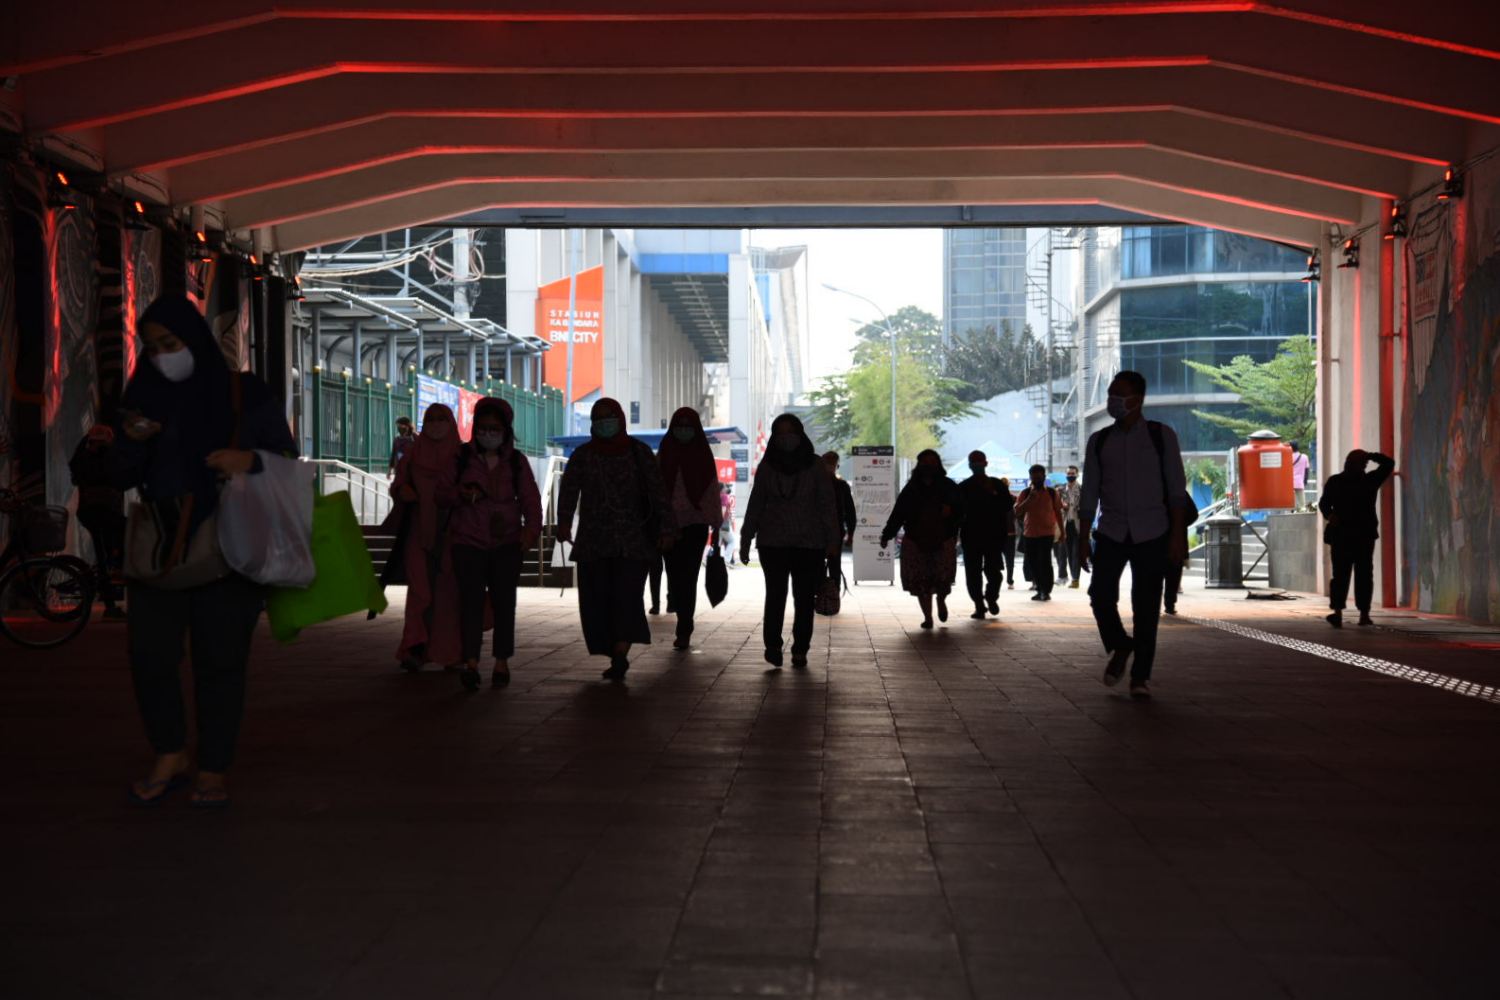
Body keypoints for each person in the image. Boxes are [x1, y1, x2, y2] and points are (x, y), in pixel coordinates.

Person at [111, 295, 297, 808]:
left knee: (220, 662)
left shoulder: (244, 393)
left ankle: (213, 767)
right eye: (151, 349)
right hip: (162, 544)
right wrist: (133, 440)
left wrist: (249, 460)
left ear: (194, 338)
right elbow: (119, 474)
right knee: (149, 657)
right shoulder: (141, 396)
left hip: (230, 544)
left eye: (170, 344)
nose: (162, 356)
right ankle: (169, 753)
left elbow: (286, 458)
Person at [1078, 371, 1192, 699]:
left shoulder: (1161, 436)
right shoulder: (1099, 441)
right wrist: (1084, 538)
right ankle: (1120, 645)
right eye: (1111, 395)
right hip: (1111, 531)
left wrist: (1176, 537)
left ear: (1138, 400)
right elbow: (1090, 494)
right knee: (1099, 595)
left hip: (1153, 532)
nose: (1113, 401)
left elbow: (1176, 491)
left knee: (1145, 607)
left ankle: (1140, 677)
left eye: (1119, 395)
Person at [557, 398, 675, 680]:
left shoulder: (639, 453)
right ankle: (615, 652)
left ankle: (621, 652)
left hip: (633, 541)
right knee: (598, 599)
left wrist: (668, 529)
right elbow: (569, 490)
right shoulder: (583, 455)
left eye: (609, 416)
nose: (604, 422)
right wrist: (563, 523)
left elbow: (659, 493)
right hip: (594, 542)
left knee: (627, 596)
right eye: (598, 418)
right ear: (592, 424)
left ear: (620, 418)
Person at [450, 398, 542, 691]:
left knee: (504, 603)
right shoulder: (461, 457)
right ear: (475, 428)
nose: (488, 433)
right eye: (483, 427)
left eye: (495, 428)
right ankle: (471, 662)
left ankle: (501, 662)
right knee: (470, 603)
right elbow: (441, 492)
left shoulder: (517, 462)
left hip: (507, 542)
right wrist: (459, 494)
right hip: (468, 540)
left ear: (506, 430)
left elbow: (531, 499)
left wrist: (531, 531)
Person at [740, 413, 841, 668]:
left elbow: (827, 504)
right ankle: (773, 645)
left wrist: (832, 539)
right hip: (773, 542)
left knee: (804, 598)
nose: (786, 438)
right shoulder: (767, 467)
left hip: (809, 543)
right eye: (780, 433)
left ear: (801, 434)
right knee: (775, 595)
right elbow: (755, 505)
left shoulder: (816, 466)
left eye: (791, 432)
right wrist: (745, 538)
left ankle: (800, 648)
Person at [390, 403, 464, 673]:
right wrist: (404, 490)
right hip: (419, 532)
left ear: (451, 422)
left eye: (440, 419)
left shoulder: (462, 455)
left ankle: (451, 652)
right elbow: (398, 484)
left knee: (448, 594)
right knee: (420, 591)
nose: (434, 424)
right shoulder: (412, 452)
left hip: (454, 533)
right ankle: (414, 648)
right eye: (430, 419)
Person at [658, 407, 723, 650]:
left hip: (695, 525)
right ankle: (682, 615)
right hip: (667, 526)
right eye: (679, 426)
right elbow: (654, 490)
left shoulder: (703, 455)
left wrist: (716, 525)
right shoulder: (664, 453)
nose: (683, 431)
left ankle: (684, 626)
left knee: (689, 576)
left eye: (688, 426)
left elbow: (711, 492)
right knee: (674, 576)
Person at [882, 450, 965, 628]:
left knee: (942, 579)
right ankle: (928, 617)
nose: (928, 465)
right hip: (915, 539)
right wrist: (887, 534)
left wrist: (951, 513)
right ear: (919, 465)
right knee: (920, 581)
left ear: (939, 464)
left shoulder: (949, 486)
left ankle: (941, 601)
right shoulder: (911, 487)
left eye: (932, 461)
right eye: (925, 462)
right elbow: (898, 513)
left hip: (943, 539)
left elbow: (962, 511)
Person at [1318, 449, 1395, 628]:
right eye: (1362, 463)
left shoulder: (1337, 481)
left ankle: (1339, 612)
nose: (1363, 466)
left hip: (1345, 535)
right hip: (1362, 534)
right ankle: (1363, 615)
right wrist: (1370, 455)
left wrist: (1330, 515)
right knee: (1363, 575)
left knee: (1341, 575)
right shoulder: (1369, 480)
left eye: (1363, 463)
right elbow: (1389, 464)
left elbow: (1324, 504)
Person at [69, 424, 127, 622]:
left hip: (91, 512)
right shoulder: (96, 459)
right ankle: (116, 572)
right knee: (128, 531)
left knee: (102, 557)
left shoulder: (81, 457)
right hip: (101, 511)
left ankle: (109, 599)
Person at [958, 450, 1010, 619]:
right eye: (974, 463)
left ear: (986, 464)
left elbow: (1008, 506)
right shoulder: (964, 487)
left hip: (993, 537)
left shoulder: (997, 485)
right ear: (969, 466)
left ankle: (991, 596)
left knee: (994, 572)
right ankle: (979, 604)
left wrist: (993, 493)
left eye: (980, 462)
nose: (977, 466)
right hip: (971, 536)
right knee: (973, 573)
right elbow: (957, 513)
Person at [1015, 464, 1064, 602]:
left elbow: (1058, 513)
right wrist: (1029, 499)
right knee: (1033, 562)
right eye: (1034, 477)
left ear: (1044, 477)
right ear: (1030, 477)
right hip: (1030, 533)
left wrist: (1063, 533)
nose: (1036, 479)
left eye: (1039, 477)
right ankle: (1039, 589)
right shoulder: (1025, 493)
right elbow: (1017, 511)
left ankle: (1046, 591)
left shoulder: (1052, 493)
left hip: (1047, 532)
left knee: (1045, 562)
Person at [823, 451, 858, 579]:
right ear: (837, 466)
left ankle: (819, 594)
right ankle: (833, 595)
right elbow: (850, 512)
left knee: (816, 568)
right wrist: (851, 534)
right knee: (834, 568)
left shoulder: (812, 484)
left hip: (816, 533)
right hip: (835, 532)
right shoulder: (841, 486)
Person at [1057, 464, 1084, 589]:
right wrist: (1062, 505)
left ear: (1077, 475)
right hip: (1064, 524)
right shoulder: (1060, 490)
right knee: (1063, 553)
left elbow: (1088, 508)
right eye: (1068, 474)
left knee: (1075, 553)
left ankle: (1075, 579)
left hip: (1077, 524)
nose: (1070, 476)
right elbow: (1054, 506)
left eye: (1073, 474)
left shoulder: (1083, 490)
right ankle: (1063, 577)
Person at [998, 477, 1018, 590]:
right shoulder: (1012, 498)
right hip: (1001, 532)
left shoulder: (1014, 498)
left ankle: (1009, 580)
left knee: (1009, 559)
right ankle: (1007, 580)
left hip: (1008, 532)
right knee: (1007, 559)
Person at [387, 415, 416, 480]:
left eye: (401, 426)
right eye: (398, 426)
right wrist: (390, 471)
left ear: (407, 426)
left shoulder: (415, 438)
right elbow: (393, 455)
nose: (399, 427)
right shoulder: (397, 439)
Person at [1290, 441, 1312, 508]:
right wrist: (1305, 482)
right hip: (1300, 483)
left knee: (1290, 505)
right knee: (1302, 505)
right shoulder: (1304, 457)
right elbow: (1306, 471)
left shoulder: (1288, 457)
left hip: (1289, 484)